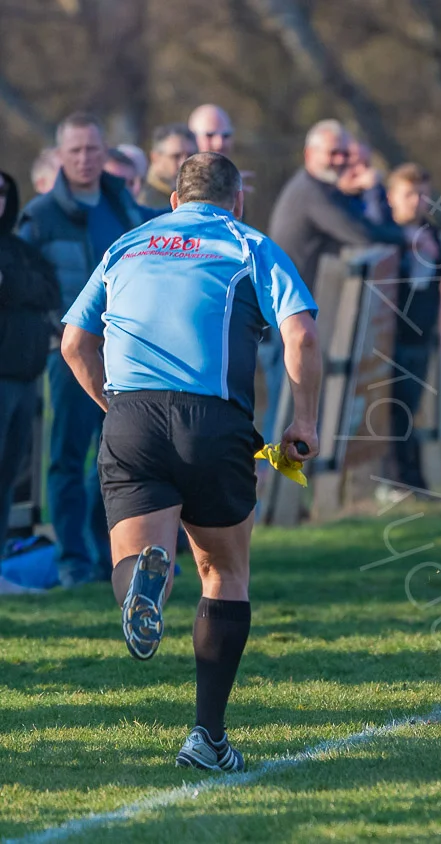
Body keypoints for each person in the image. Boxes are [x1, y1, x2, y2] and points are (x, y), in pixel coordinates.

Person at [60, 152, 321, 771]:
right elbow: (302, 335)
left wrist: (113, 408)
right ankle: (206, 737)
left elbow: (74, 341)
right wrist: (303, 420)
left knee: (135, 557)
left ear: (173, 201)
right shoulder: (248, 242)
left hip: (131, 415)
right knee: (223, 574)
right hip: (213, 421)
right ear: (236, 202)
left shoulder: (126, 244)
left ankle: (142, 585)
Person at [18, 112, 149, 587]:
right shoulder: (39, 216)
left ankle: (108, 557)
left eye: (92, 149)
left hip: (125, 357)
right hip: (68, 355)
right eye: (74, 151)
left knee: (115, 458)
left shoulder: (126, 208)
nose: (84, 159)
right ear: (59, 156)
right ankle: (73, 559)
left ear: (104, 151)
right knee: (67, 457)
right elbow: (25, 283)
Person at [266, 120, 405, 444]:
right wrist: (403, 231)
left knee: (304, 405)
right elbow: (363, 234)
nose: (341, 160)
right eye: (333, 153)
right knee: (285, 405)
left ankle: (293, 488)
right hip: (287, 320)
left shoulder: (327, 191)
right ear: (310, 154)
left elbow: (368, 227)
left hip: (304, 316)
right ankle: (270, 491)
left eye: (345, 153)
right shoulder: (310, 193)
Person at [0, 170, 61, 557]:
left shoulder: (20, 249)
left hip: (26, 378)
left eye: (2, 192)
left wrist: (11, 285)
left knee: (8, 474)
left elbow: (49, 290)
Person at [381, 163, 441, 494]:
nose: (416, 201)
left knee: (409, 408)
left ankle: (414, 479)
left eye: (422, 194)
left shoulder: (433, 235)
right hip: (390, 338)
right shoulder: (386, 234)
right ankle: (398, 480)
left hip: (421, 336)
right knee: (392, 410)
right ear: (391, 197)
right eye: (408, 194)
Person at [137, 124, 198, 210]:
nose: (184, 162)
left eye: (191, 155)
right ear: (155, 158)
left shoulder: (201, 194)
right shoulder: (144, 203)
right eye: (176, 156)